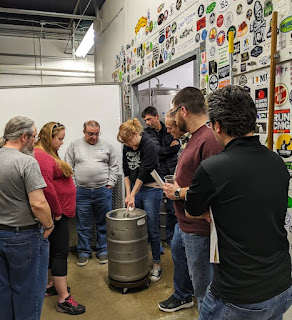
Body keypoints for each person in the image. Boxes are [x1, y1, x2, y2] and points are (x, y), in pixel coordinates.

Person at [185, 85, 292, 320]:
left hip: (240, 294)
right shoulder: (277, 162)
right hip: (282, 285)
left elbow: (192, 211)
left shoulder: (212, 169)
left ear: (218, 126)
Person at [161, 87, 223, 311]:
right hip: (187, 224)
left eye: (174, 112)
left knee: (204, 291)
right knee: (198, 286)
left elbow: (215, 186)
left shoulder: (209, 140)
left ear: (183, 111)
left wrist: (178, 192)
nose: (174, 119)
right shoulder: (197, 137)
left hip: (199, 229)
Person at [0, 116, 53, 320]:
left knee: (4, 290)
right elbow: (38, 204)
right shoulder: (26, 162)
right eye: (34, 136)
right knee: (28, 292)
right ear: (24, 136)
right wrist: (49, 225)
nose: (35, 140)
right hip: (23, 237)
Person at [35, 122, 85, 315]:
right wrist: (56, 212)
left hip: (60, 212)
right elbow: (47, 188)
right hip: (58, 214)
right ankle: (64, 299)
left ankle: (51, 285)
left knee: (53, 251)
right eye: (60, 138)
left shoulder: (46, 153)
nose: (62, 142)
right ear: (49, 137)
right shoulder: (42, 156)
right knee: (60, 254)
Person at [65, 121, 119, 267]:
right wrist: (75, 186)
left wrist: (111, 184)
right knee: (83, 224)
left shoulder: (107, 145)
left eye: (96, 134)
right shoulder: (74, 145)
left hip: (103, 190)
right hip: (81, 192)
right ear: (84, 132)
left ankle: (103, 250)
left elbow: (114, 165)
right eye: (90, 134)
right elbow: (68, 167)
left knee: (103, 223)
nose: (94, 137)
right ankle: (83, 251)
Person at [117, 118, 163, 282]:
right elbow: (127, 171)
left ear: (136, 133)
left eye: (130, 141)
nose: (129, 145)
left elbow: (144, 172)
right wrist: (128, 195)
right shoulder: (126, 146)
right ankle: (142, 259)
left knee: (152, 227)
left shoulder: (149, 145)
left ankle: (157, 264)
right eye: (126, 143)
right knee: (138, 229)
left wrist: (133, 194)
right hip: (136, 189)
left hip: (151, 188)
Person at [158, 110, 194, 313]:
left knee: (197, 263)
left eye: (171, 127)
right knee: (178, 251)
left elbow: (206, 185)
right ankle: (183, 294)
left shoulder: (204, 141)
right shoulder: (188, 140)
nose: (169, 131)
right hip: (184, 216)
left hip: (194, 217)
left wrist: (179, 191)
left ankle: (190, 295)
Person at [142, 106, 179, 245]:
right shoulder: (146, 134)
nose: (147, 123)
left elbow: (176, 145)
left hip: (172, 173)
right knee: (154, 212)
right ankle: (155, 242)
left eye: (149, 119)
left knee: (172, 209)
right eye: (145, 120)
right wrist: (172, 148)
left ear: (157, 117)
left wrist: (171, 149)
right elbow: (157, 152)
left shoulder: (168, 129)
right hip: (156, 176)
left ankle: (170, 239)